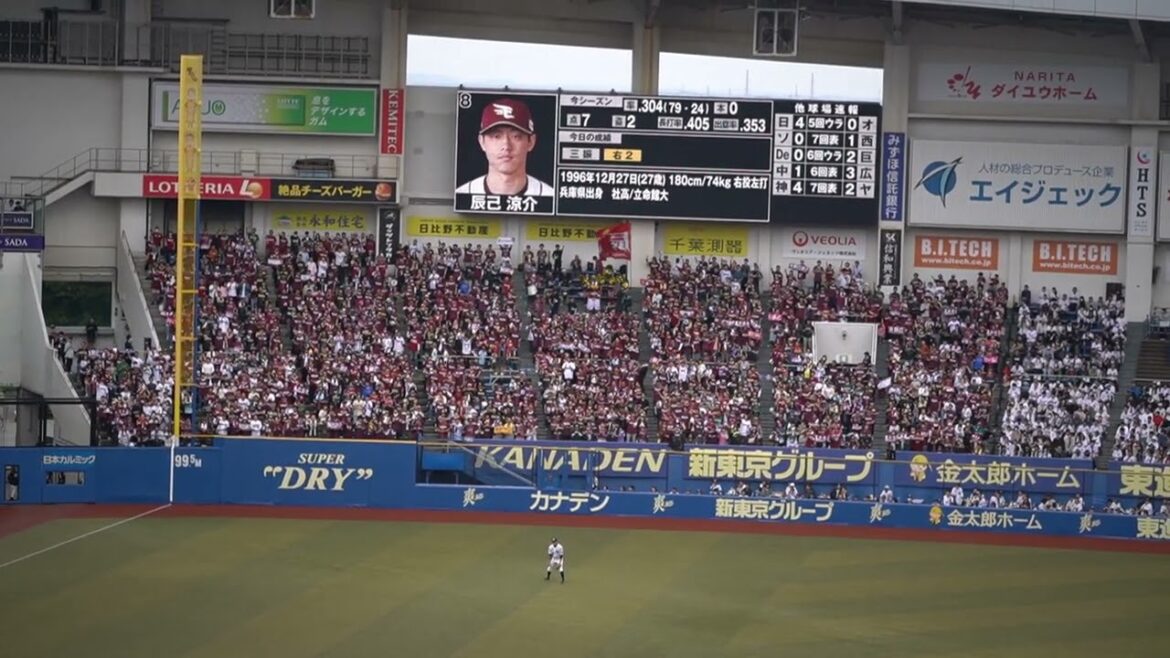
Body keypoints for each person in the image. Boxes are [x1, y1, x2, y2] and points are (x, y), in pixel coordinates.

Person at [456, 98, 554, 197]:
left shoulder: (550, 196)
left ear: (531, 142)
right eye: (496, 136)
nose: (506, 146)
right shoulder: (462, 195)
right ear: (482, 142)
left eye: (516, 136)